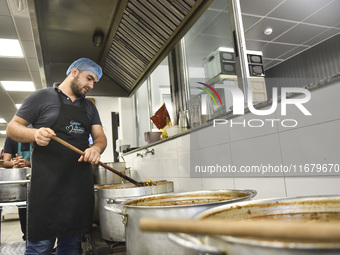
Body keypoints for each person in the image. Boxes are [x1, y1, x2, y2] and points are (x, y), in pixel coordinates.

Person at [6, 58, 107, 255]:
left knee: (71, 247)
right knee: (40, 247)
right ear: (74, 72)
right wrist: (34, 134)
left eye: (94, 82)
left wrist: (96, 148)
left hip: (78, 189)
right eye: (89, 78)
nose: (91, 85)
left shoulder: (89, 108)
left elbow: (100, 137)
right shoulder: (41, 97)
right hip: (47, 189)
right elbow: (12, 128)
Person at [3, 136, 33, 241]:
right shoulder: (11, 138)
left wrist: (27, 163)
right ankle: (27, 238)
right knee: (24, 209)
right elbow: (5, 162)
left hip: (40, 178)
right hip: (22, 182)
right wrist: (14, 163)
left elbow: (46, 161)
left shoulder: (37, 136)